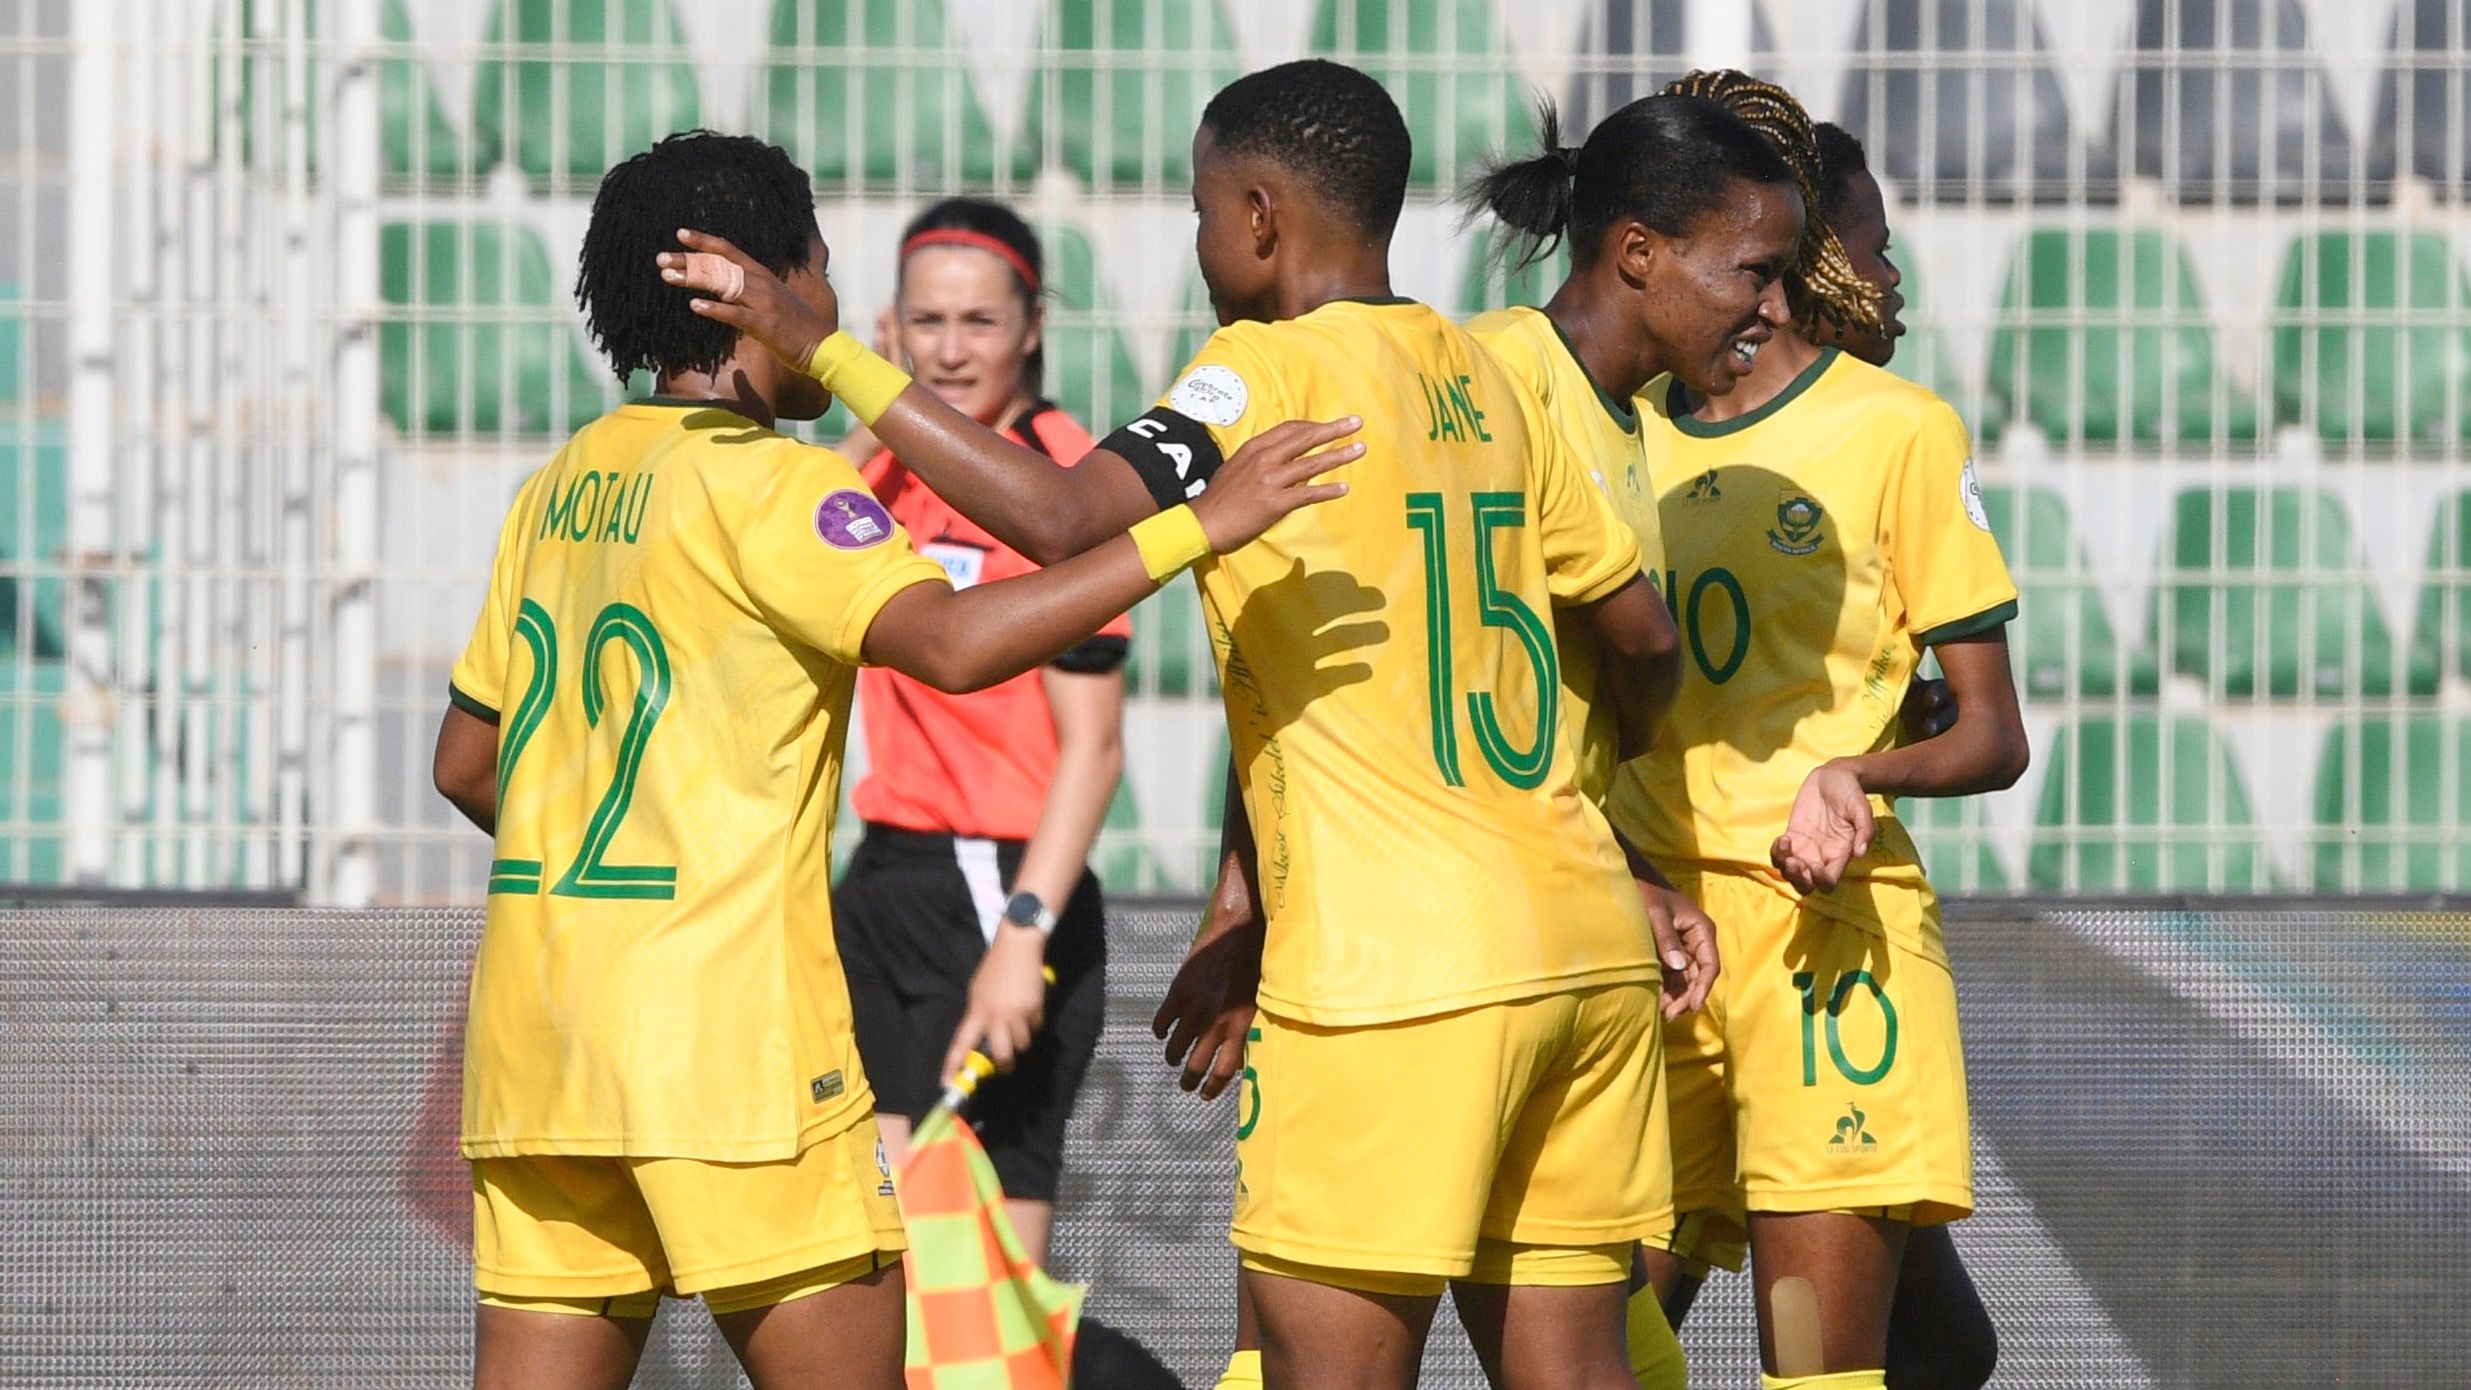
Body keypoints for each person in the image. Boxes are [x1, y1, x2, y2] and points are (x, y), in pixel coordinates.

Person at [660, 60, 1687, 1390]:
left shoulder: (1258, 371)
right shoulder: (1494, 373)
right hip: (1579, 949)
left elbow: (1053, 518)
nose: (1197, 243)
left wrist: (830, 351)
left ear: (1257, 216)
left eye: (1203, 211)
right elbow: (1630, 645)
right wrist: (1249, 898)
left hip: (1396, 972)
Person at [429, 129, 1350, 1390]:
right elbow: (962, 645)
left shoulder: (554, 489)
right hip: (726, 1048)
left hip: (540, 1041)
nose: (833, 304)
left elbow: (465, 765)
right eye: (818, 269)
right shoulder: (778, 490)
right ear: (755, 289)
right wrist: (1205, 524)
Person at [1158, 88, 1822, 1390]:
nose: (1772, 306)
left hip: (1520, 940)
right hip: (1407, 943)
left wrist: (1612, 860)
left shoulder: (1621, 424)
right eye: (1753, 271)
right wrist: (1245, 902)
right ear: (1638, 252)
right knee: (1312, 1327)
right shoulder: (1496, 378)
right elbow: (1357, 658)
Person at [1612, 74, 2030, 1390]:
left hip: (1821, 949)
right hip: (1647, 946)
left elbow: (1991, 731)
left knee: (1822, 1362)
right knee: (1588, 1349)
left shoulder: (1891, 431)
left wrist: (1852, 767)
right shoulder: (1601, 432)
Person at [829, 197, 1127, 1271]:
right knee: (876, 1271)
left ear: (1032, 325)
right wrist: (873, 404)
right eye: (924, 324)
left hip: (997, 891)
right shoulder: (875, 472)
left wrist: (1021, 937)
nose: (949, 352)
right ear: (888, 331)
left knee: (975, 1287)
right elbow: (805, 499)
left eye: (977, 323)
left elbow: (1092, 748)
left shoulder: (1061, 487)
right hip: (884, 881)